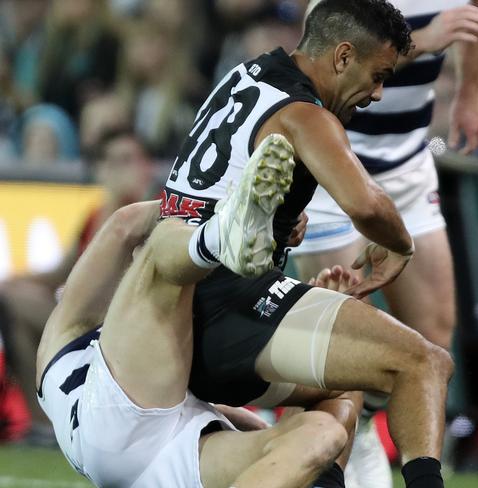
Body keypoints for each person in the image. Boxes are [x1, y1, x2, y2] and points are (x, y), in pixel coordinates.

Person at [162, 1, 454, 487]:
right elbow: (366, 205)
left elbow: (213, 188)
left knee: (341, 389)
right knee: (425, 362)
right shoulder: (304, 112)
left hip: (167, 313)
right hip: (224, 312)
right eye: (378, 75)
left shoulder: (245, 76)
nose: (378, 94)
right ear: (343, 57)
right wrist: (401, 245)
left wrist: (279, 224)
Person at [37, 134, 348, 488]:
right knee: (163, 249)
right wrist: (223, 205)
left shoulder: (147, 360)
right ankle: (221, 232)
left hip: (162, 457)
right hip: (113, 430)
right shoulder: (68, 330)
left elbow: (200, 409)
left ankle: (223, 230)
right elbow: (125, 226)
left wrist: (280, 446)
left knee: (322, 433)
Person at [290, 0, 478, 485]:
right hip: (330, 157)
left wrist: (469, 91)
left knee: (434, 338)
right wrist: (425, 37)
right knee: (337, 331)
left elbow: (476, 14)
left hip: (409, 158)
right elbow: (323, 46)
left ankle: (361, 422)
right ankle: (332, 456)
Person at [0, 128, 155, 444]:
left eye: (127, 161)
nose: (118, 171)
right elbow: (64, 271)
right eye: (112, 162)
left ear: (145, 166)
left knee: (17, 302)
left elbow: (105, 287)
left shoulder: (151, 216)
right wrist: (14, 279)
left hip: (125, 326)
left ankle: (51, 424)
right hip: (89, 320)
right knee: (11, 301)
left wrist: (113, 203)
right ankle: (42, 423)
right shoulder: (98, 215)